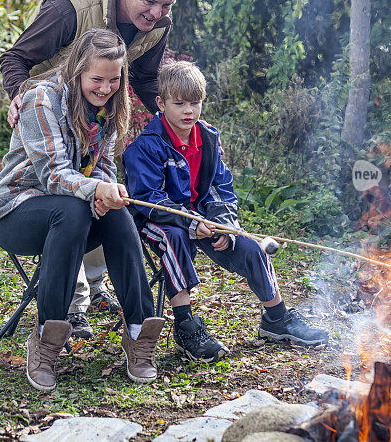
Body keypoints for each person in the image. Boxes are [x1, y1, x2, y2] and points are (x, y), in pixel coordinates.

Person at [0, 0, 186, 335]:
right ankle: (63, 314)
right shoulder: (70, 6)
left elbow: (148, 80)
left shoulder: (156, 24)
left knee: (106, 199)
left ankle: (131, 322)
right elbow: (16, 57)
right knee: (69, 202)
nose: (156, 13)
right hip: (46, 111)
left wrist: (174, 125)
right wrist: (22, 96)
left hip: (91, 119)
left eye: (166, 4)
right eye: (149, 2)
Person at [0, 29, 165, 391]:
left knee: (116, 212)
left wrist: (106, 193)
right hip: (16, 212)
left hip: (74, 215)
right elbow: (53, 176)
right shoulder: (41, 99)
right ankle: (45, 339)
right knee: (70, 208)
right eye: (97, 79)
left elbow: (102, 169)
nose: (105, 88)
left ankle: (138, 330)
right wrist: (96, 189)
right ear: (77, 70)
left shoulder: (110, 108)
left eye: (114, 80)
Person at [122, 61, 329, 363]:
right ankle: (186, 324)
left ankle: (276, 317)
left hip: (204, 217)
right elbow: (148, 199)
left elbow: (221, 187)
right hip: (155, 220)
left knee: (248, 245)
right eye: (179, 103)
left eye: (195, 103)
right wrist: (192, 224)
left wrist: (222, 224)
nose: (188, 111)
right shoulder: (145, 147)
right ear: (161, 102)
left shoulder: (208, 137)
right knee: (175, 237)